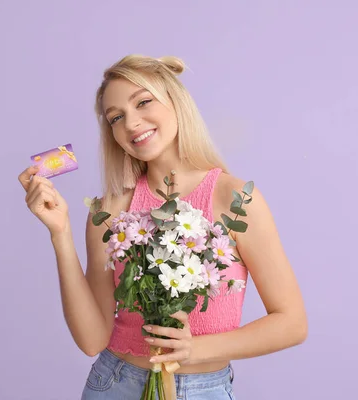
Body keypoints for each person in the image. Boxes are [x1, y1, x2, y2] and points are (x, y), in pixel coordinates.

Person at [18, 55, 307, 399]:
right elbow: (92, 339)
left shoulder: (234, 199)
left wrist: (193, 349)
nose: (132, 123)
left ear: (175, 101)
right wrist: (60, 232)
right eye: (116, 117)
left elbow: (292, 323)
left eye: (143, 102)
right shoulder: (111, 210)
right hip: (116, 385)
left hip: (205, 390)